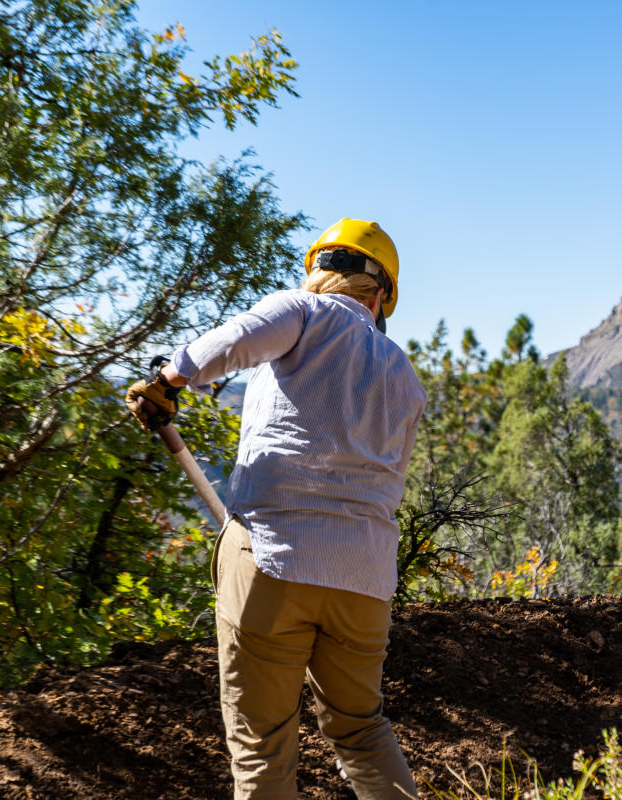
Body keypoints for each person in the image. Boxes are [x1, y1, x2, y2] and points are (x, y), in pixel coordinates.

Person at [126, 218, 426, 800]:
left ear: (318, 272)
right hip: (364, 580)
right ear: (381, 296)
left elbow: (232, 340)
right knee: (361, 730)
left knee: (262, 747)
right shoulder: (404, 374)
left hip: (274, 558)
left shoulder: (304, 310)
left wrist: (167, 380)